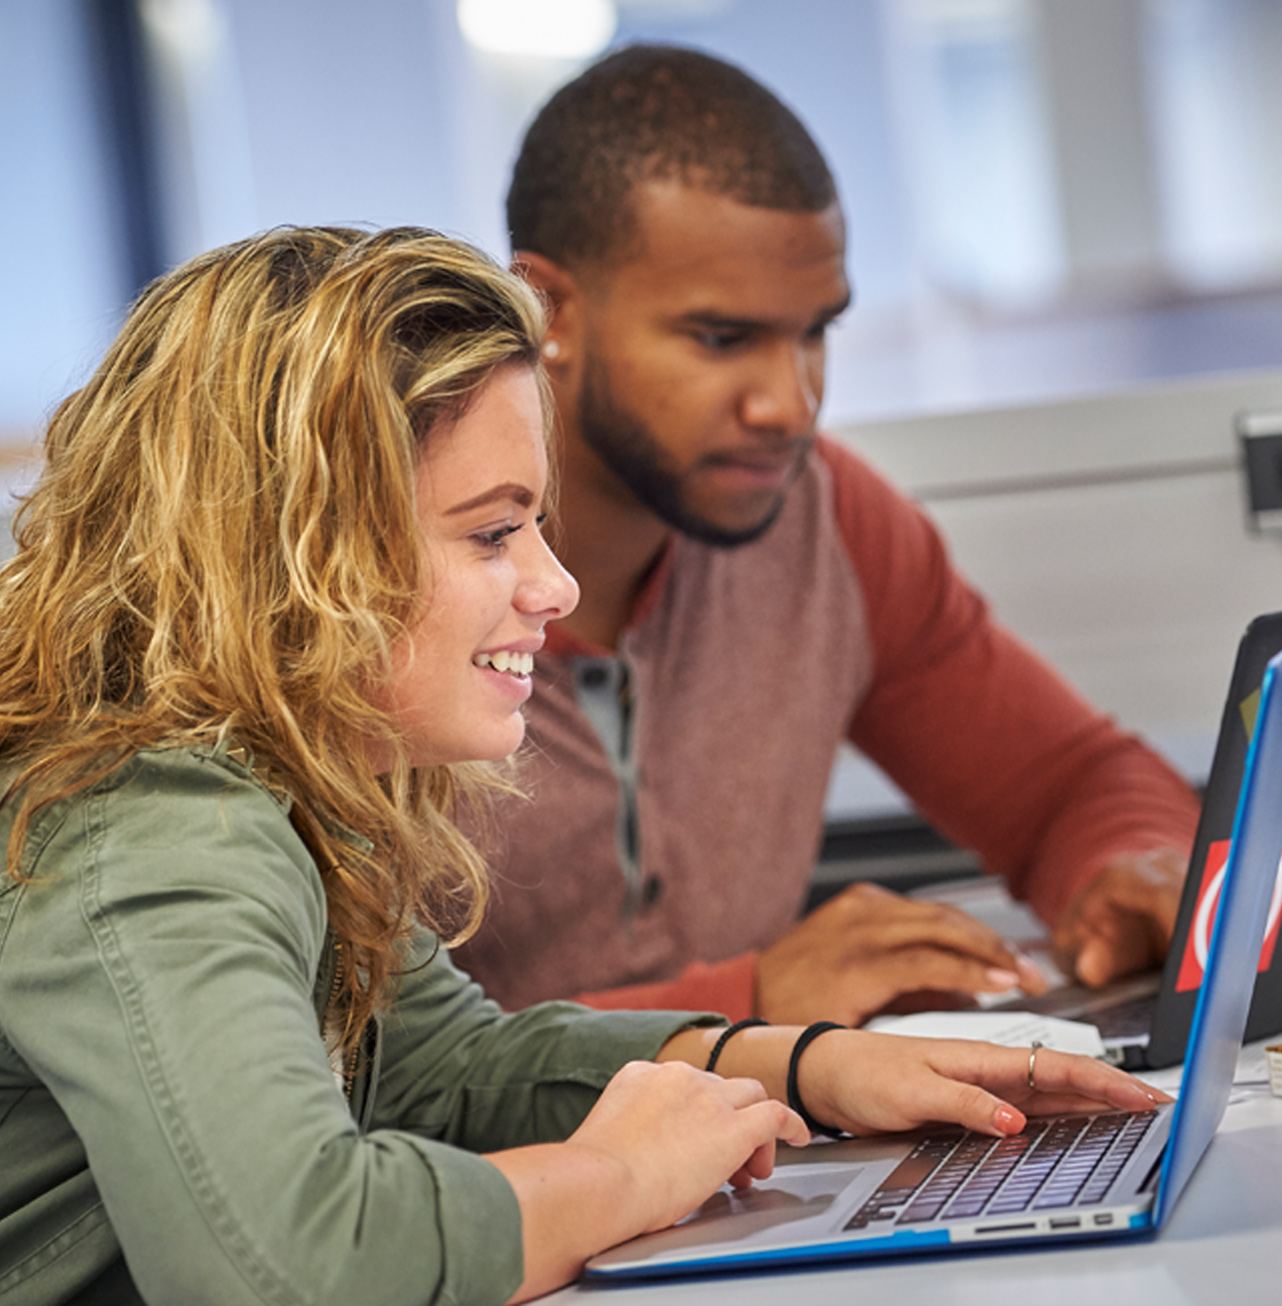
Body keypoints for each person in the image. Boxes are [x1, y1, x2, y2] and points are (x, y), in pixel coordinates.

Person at [0, 226, 1166, 1305]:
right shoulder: (152, 824)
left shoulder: (295, 778)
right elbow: (294, 1264)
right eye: (494, 532)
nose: (553, 586)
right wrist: (620, 1177)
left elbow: (447, 1065)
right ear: (298, 555)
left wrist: (812, 1069)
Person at [450, 44, 1202, 1025]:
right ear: (548, 308)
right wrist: (747, 1002)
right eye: (723, 338)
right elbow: (353, 1072)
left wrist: (1127, 868)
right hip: (506, 1178)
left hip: (755, 1155)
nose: (791, 403)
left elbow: (1068, 783)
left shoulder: (823, 517)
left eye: (813, 333)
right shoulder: (384, 583)